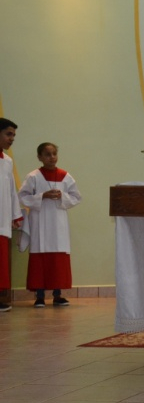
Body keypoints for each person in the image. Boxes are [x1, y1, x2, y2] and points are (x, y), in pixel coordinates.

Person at [18, 142, 81, 308]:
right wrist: (42, 196)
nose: (51, 157)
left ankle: (57, 295)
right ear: (39, 157)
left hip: (58, 222)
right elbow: (22, 196)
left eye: (54, 154)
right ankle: (39, 296)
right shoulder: (33, 176)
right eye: (47, 154)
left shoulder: (66, 176)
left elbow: (76, 197)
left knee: (58, 259)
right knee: (40, 256)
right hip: (40, 220)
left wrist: (62, 196)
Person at [0, 119, 23, 312]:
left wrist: (16, 215)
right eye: (8, 134)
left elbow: (11, 191)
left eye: (13, 135)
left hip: (2, 218)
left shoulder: (7, 161)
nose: (12, 138)